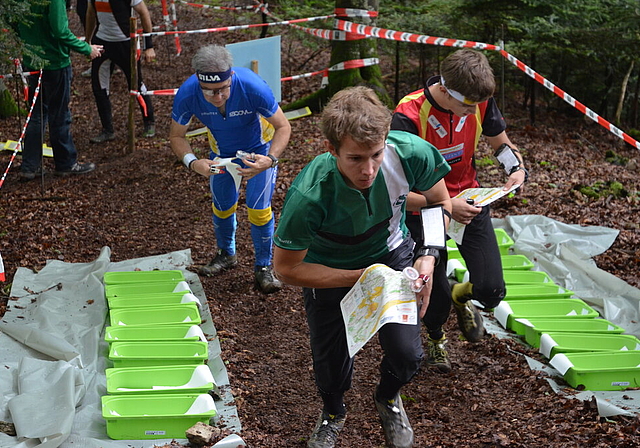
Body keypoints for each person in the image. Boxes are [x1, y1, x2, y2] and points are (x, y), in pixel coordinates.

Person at [273, 86, 452, 448]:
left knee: (407, 354)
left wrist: (429, 254)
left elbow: (439, 201)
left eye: (375, 154)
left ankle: (387, 398)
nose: (368, 170)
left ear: (386, 140)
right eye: (355, 158)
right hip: (329, 269)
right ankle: (333, 413)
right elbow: (286, 269)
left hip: (391, 254)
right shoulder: (310, 195)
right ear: (332, 149)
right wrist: (362, 279)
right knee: (331, 359)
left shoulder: (411, 152)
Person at [392, 49, 529, 373]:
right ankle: (437, 336)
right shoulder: (409, 114)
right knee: (433, 291)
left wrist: (516, 168)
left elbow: (501, 143)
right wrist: (442, 204)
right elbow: (394, 192)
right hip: (424, 209)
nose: (472, 112)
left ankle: (461, 296)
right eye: (466, 106)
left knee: (491, 290)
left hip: (469, 199)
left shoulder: (479, 99)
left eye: (476, 107)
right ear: (444, 89)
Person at [170, 44, 291, 294]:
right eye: (210, 92)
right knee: (222, 206)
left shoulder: (252, 86)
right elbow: (176, 136)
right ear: (197, 81)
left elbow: (283, 127)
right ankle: (226, 254)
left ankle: (263, 267)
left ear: (231, 77)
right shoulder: (187, 93)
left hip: (259, 150)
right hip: (221, 154)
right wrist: (194, 162)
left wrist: (270, 159)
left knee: (258, 209)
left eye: (223, 89)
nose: (218, 97)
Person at [17, 0, 102, 181]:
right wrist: (87, 49)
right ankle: (65, 163)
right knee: (59, 114)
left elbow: (15, 21)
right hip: (54, 63)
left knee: (36, 115)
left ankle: (29, 166)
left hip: (32, 62)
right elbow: (60, 30)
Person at [85, 0, 156, 143]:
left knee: (136, 84)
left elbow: (143, 13)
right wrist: (88, 42)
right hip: (102, 42)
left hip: (125, 42)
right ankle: (107, 130)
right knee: (99, 87)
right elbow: (91, 13)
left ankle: (149, 122)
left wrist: (149, 46)